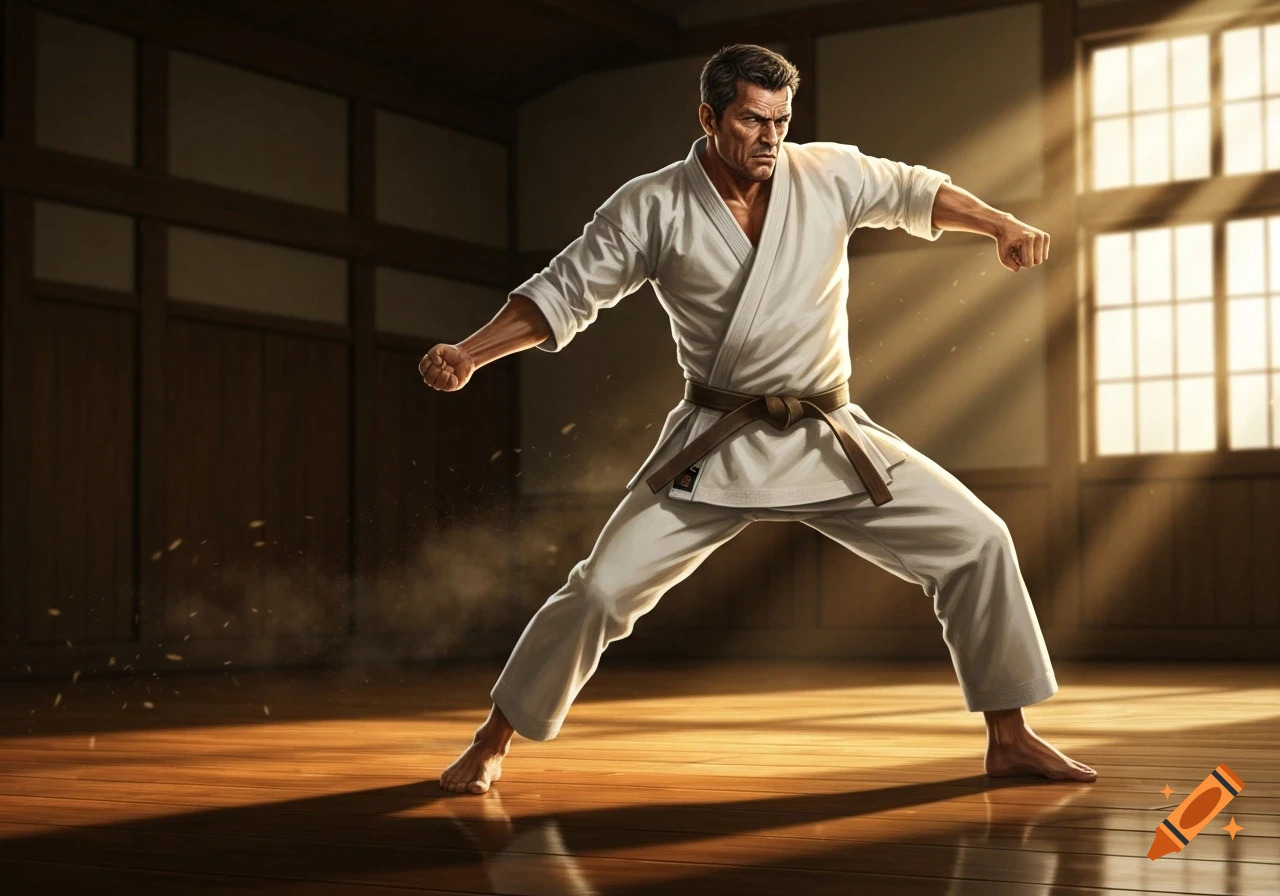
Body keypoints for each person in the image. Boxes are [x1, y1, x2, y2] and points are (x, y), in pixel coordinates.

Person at [424, 44, 1097, 794]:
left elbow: (915, 192)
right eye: (752, 119)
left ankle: (1009, 737)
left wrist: (999, 223)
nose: (770, 136)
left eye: (780, 120)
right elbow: (563, 292)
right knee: (600, 591)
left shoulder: (828, 173)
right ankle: (492, 741)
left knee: (978, 540)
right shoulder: (652, 204)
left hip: (831, 435)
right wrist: (472, 353)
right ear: (709, 118)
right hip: (715, 445)